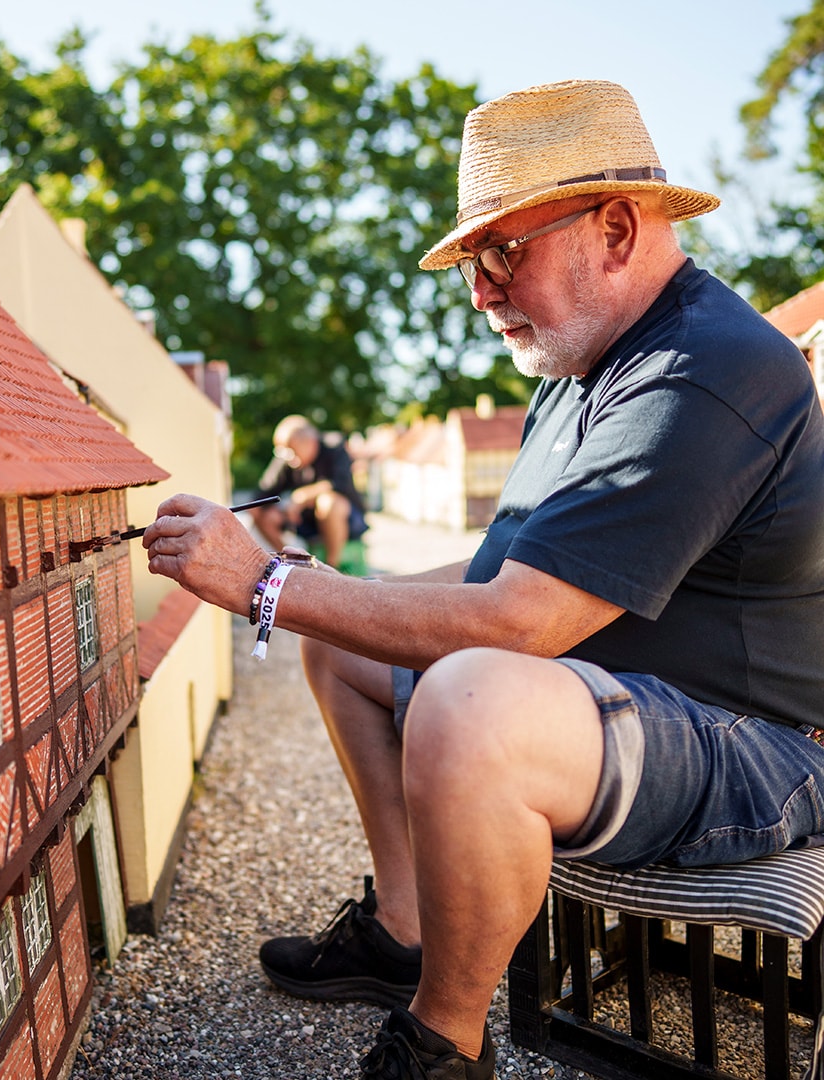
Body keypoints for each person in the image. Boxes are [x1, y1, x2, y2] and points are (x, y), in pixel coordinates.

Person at [141, 79, 824, 1080]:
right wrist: (313, 589)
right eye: (471, 260)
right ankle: (407, 927)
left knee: (469, 697)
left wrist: (267, 584)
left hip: (762, 743)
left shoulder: (708, 368)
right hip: (632, 705)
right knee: (348, 634)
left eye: (504, 250)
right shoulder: (581, 366)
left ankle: (447, 1040)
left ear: (620, 228)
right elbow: (508, 561)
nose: (479, 291)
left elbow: (520, 619)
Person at [250, 414, 368, 569]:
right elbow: (261, 496)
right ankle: (291, 563)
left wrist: (303, 496)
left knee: (329, 502)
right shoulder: (287, 458)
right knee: (261, 513)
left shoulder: (335, 447)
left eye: (293, 451)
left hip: (347, 521)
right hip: (305, 522)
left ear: (310, 442)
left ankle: (332, 569)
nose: (290, 459)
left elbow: (341, 483)